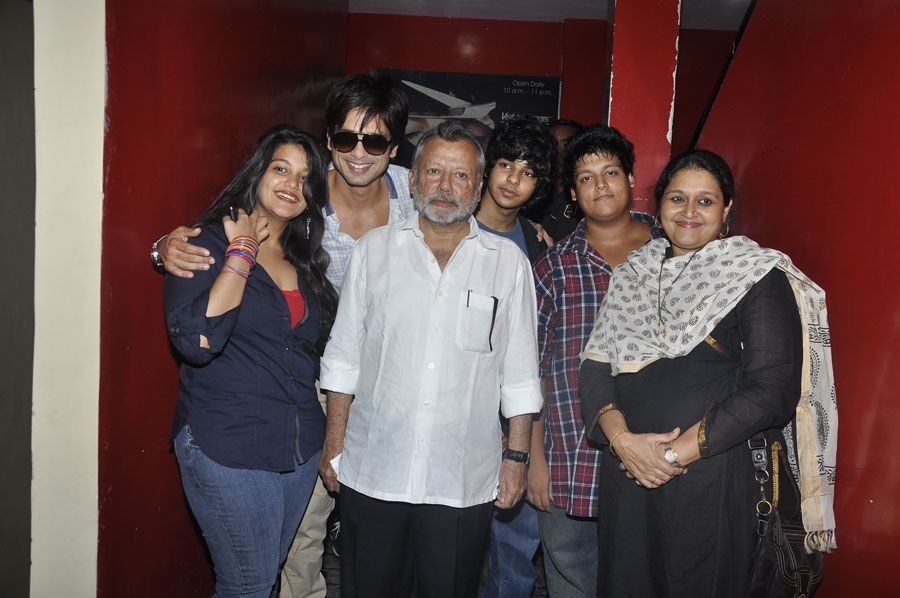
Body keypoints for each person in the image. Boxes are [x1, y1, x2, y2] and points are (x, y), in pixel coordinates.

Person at [152, 74, 412, 597]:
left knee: (380, 529)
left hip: (370, 395)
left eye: (375, 141)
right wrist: (163, 248)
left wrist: (533, 234)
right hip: (269, 416)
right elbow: (199, 334)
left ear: (393, 148)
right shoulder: (273, 221)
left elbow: (471, 216)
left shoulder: (411, 194)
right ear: (329, 141)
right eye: (347, 138)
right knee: (284, 559)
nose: (359, 152)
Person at [580, 149, 838, 597]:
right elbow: (596, 365)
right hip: (629, 474)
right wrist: (622, 441)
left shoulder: (755, 275)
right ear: (659, 205)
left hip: (709, 477)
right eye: (677, 198)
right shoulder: (633, 275)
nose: (689, 212)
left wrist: (670, 456)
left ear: (726, 210)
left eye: (705, 201)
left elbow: (772, 390)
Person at [318, 122, 543, 598]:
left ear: (478, 186)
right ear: (413, 179)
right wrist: (335, 444)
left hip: (462, 478)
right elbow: (343, 356)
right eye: (434, 172)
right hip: (374, 470)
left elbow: (521, 374)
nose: (445, 187)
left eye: (460, 176)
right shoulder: (373, 250)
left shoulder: (508, 264)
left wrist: (517, 458)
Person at [164, 125, 338, 597]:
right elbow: (199, 340)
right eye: (281, 169)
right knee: (249, 584)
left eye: (304, 178)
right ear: (258, 172)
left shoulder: (305, 261)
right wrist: (242, 250)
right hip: (229, 445)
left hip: (298, 448)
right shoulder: (205, 243)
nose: (291, 184)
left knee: (265, 577)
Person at [527, 124, 660, 597]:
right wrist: (534, 460)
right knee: (573, 578)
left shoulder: (673, 251)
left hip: (658, 456)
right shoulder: (554, 268)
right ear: (572, 192)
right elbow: (531, 371)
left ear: (631, 178)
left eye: (610, 172)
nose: (600, 185)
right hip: (572, 459)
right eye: (586, 178)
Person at [474, 117, 557, 598]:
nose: (512, 179)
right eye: (506, 164)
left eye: (527, 173)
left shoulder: (537, 244)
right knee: (448, 544)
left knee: (515, 547)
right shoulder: (450, 226)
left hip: (515, 411)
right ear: (488, 167)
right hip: (458, 406)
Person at [539, 119, 584, 240]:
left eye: (566, 145)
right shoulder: (531, 192)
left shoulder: (585, 196)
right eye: (552, 144)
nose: (558, 152)